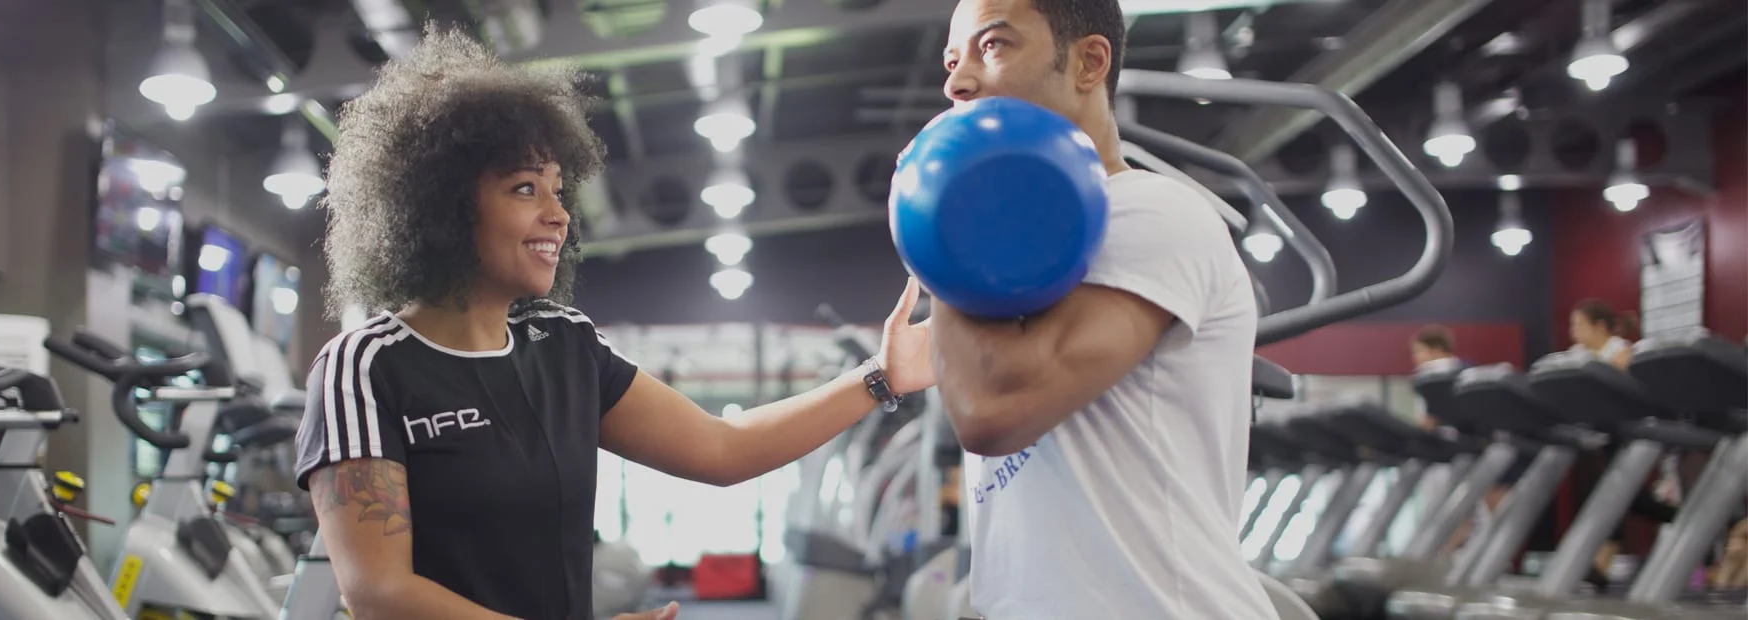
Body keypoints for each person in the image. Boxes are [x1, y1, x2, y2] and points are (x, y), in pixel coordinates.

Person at [293, 25, 935, 620]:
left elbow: (722, 448)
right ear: (441, 206)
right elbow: (379, 592)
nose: (559, 214)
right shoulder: (367, 367)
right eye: (524, 189)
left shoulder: (564, 343)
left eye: (557, 188)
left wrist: (881, 377)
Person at [928, 0, 1276, 617]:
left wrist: (937, 221)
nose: (957, 80)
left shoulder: (1149, 212)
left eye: (994, 46)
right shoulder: (1010, 250)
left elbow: (992, 413)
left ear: (1089, 62)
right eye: (953, 60)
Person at [1567, 299, 1635, 369]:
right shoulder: (1576, 351)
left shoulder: (1621, 348)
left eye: (1581, 324)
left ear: (1600, 326)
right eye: (1573, 325)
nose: (1575, 330)